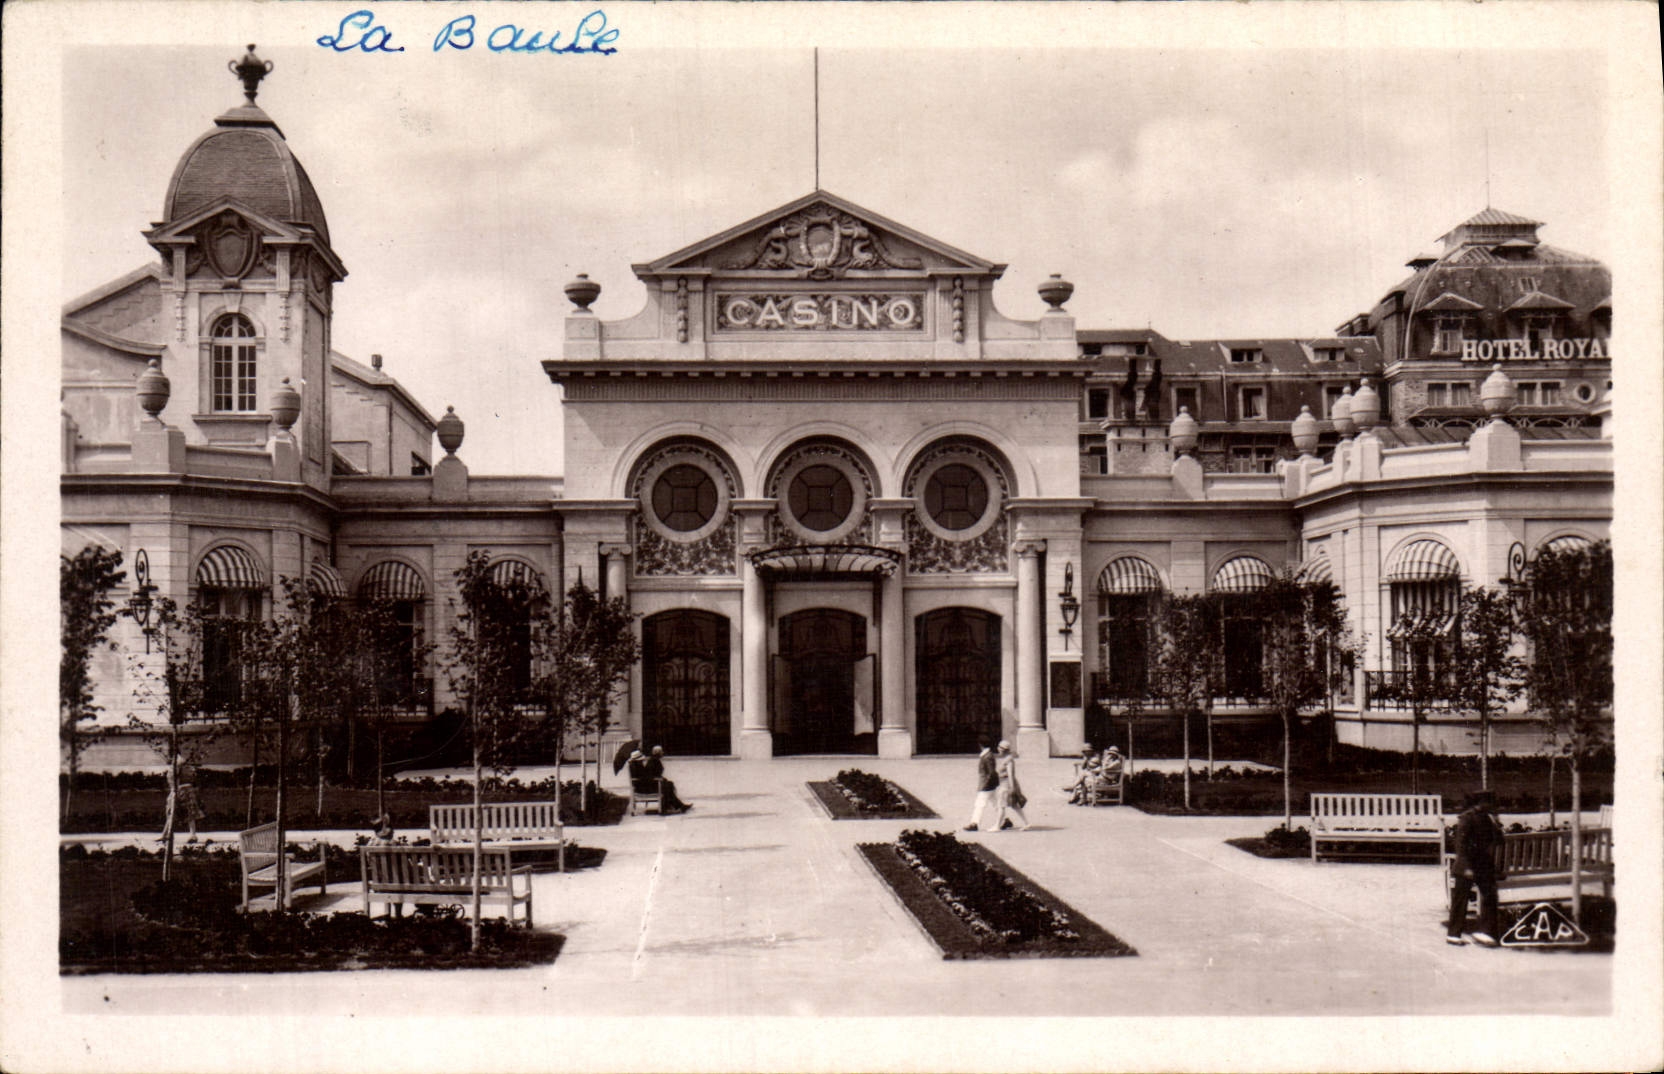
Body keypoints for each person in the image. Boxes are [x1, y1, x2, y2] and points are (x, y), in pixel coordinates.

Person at [1447, 789, 1506, 946]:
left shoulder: (1487, 819)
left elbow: (1499, 841)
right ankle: (1453, 934)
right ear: (1481, 803)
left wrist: (1497, 824)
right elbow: (1460, 845)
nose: (1493, 807)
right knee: (1460, 899)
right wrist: (1467, 867)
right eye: (1490, 803)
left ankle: (1486, 932)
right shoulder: (1467, 819)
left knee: (1490, 895)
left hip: (1481, 864)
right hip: (1466, 865)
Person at [992, 740, 1031, 831]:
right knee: (1014, 805)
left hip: (1006, 785)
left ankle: (997, 826)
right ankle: (1027, 823)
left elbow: (1010, 775)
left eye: (999, 748)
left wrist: (1012, 788)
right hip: (1005, 784)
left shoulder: (1009, 760)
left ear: (1003, 750)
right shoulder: (1007, 759)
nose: (998, 750)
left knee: (1001, 805)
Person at [964, 735, 999, 832]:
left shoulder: (987, 756)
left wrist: (986, 784)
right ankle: (1004, 820)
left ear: (980, 745)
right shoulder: (988, 755)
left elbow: (991, 772)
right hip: (990, 785)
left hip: (986, 785)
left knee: (979, 804)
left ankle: (974, 823)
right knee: (995, 804)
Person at [643, 745, 691, 813]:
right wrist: (660, 779)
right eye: (661, 751)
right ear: (658, 753)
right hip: (653, 785)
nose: (663, 753)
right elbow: (651, 775)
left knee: (669, 784)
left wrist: (661, 778)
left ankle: (677, 805)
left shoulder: (655, 760)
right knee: (668, 786)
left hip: (655, 782)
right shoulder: (653, 761)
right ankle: (669, 806)